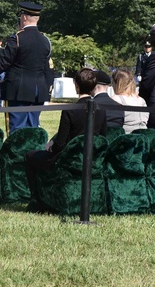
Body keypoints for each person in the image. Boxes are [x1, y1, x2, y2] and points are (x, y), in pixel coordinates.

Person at [23, 68, 106, 212]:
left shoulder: (70, 110)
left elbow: (60, 143)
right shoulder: (101, 110)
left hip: (68, 160)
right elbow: (102, 137)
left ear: (76, 86)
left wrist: (51, 146)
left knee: (30, 156)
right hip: (93, 159)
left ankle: (37, 200)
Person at [0, 2, 52, 132]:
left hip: (18, 91)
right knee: (33, 130)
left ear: (24, 17)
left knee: (16, 131)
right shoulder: (45, 40)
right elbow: (48, 69)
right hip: (38, 92)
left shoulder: (16, 38)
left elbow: (3, 63)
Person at [111, 68, 147, 133]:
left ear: (117, 83)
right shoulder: (141, 100)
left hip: (126, 137)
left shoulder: (116, 99)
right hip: (144, 137)